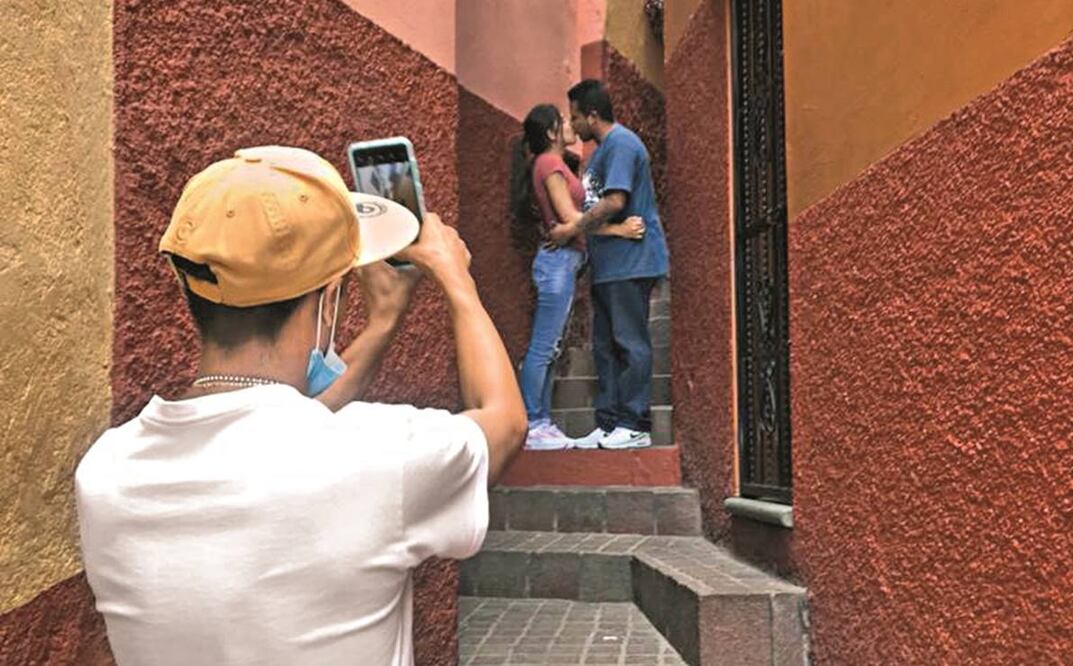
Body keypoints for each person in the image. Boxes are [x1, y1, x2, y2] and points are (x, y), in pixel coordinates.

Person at [75, 146, 526, 665]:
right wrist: (456, 278)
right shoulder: (381, 458)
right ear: (329, 300)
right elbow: (505, 423)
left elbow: (269, 433)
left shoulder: (105, 474)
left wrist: (382, 323)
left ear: (192, 288)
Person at [509, 104, 645, 450]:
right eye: (564, 121)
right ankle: (532, 423)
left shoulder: (555, 163)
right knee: (543, 346)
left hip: (565, 263)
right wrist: (620, 230)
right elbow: (571, 219)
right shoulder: (549, 163)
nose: (570, 125)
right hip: (556, 265)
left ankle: (542, 421)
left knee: (552, 347)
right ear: (552, 132)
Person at [549, 80, 670, 450]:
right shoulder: (603, 151)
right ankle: (608, 423)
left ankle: (635, 423)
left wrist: (574, 228)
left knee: (630, 342)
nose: (573, 125)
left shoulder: (621, 144)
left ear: (592, 116)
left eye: (575, 117)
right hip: (609, 264)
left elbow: (615, 200)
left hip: (631, 261)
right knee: (604, 346)